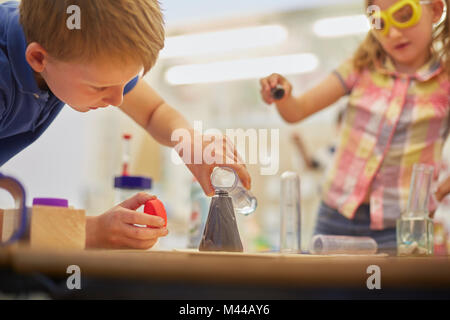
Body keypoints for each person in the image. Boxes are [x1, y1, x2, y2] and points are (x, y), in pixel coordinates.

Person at [0, 0, 251, 249]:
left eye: (127, 81)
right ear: (37, 57)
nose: (118, 99)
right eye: (100, 87)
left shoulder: (67, 50)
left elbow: (153, 112)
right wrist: (90, 230)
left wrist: (189, 141)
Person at [260, 0, 450, 252]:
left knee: (395, 292)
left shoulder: (445, 84)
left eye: (405, 14)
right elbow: (297, 110)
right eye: (379, 22)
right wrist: (282, 96)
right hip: (335, 216)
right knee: (327, 291)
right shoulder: (359, 68)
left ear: (435, 10)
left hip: (402, 228)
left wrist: (439, 190)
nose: (392, 32)